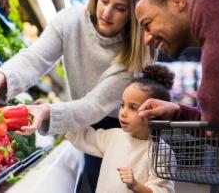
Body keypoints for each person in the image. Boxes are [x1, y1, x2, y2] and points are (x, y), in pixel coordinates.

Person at [0, 0, 147, 191]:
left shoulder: (135, 51)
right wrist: (1, 78)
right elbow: (35, 58)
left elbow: (94, 105)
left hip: (122, 128)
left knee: (116, 186)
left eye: (120, 8)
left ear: (131, 13)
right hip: (85, 123)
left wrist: (48, 112)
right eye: (104, 0)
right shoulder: (70, 20)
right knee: (95, 182)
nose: (107, 12)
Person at [66, 64, 175, 193]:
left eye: (133, 108)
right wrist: (51, 114)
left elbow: (164, 190)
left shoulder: (161, 152)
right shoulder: (114, 137)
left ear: (155, 113)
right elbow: (83, 135)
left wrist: (136, 186)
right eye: (122, 105)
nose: (123, 113)